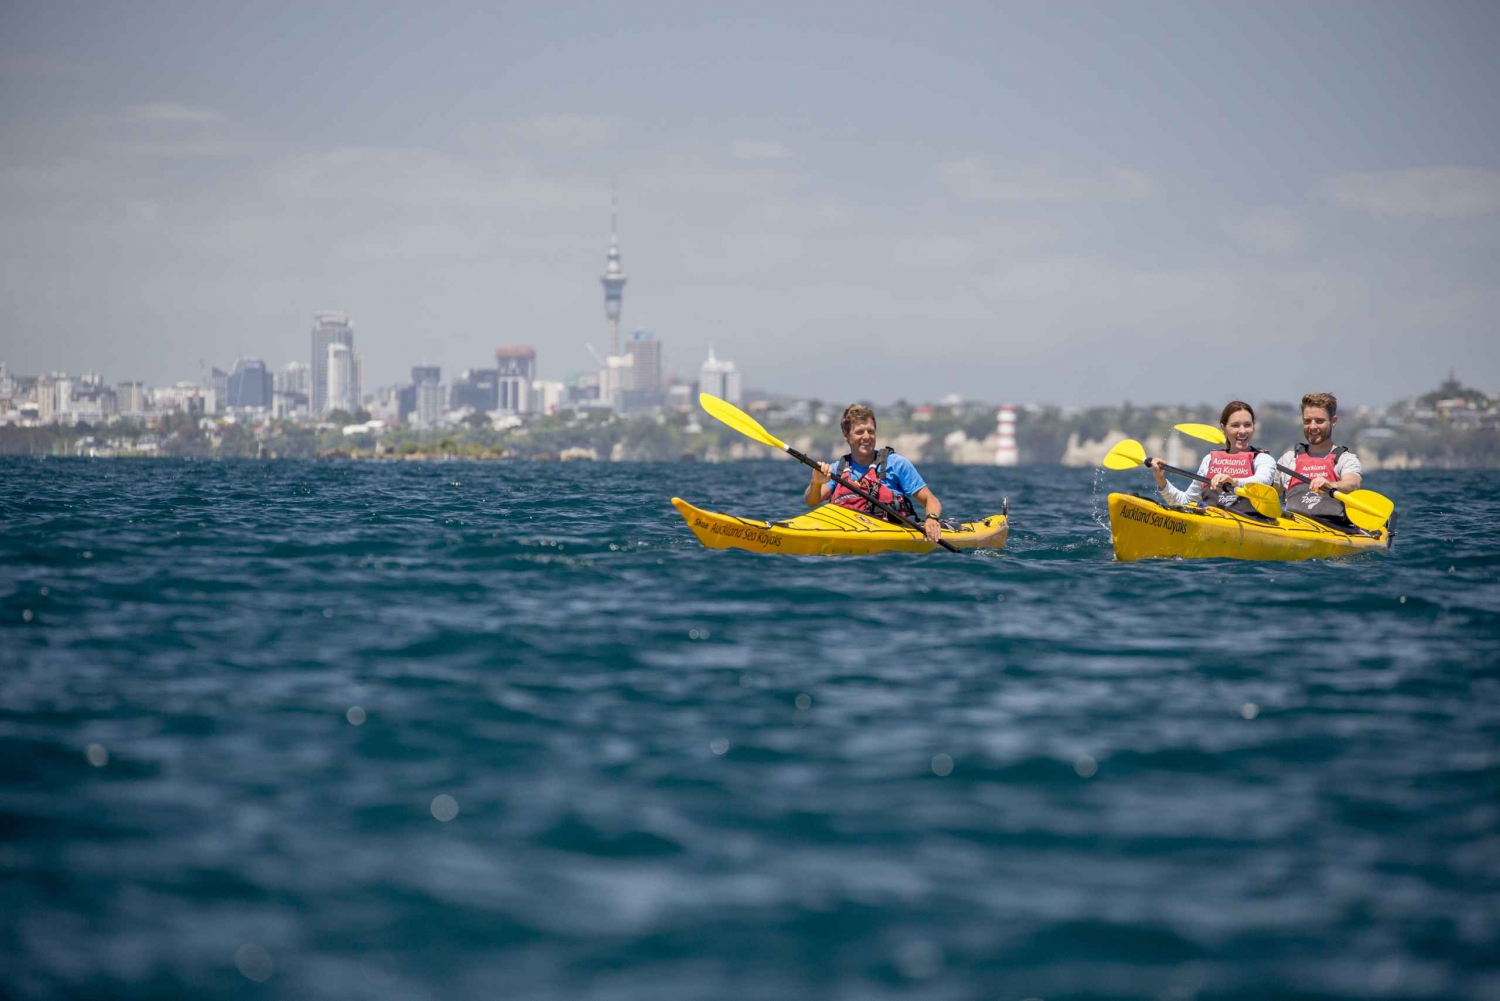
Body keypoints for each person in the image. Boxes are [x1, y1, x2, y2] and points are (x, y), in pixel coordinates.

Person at [805, 404, 945, 543]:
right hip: (844, 541)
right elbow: (811, 500)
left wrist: (931, 519)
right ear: (846, 435)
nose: (866, 437)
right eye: (860, 432)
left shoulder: (896, 464)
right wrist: (816, 482)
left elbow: (931, 501)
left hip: (890, 543)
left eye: (870, 431)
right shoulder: (838, 469)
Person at [1151, 400, 1277, 516]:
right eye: (1235, 425)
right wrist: (1160, 479)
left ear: (1254, 427)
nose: (1243, 431)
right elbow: (1186, 501)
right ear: (1223, 429)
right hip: (1213, 521)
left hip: (1252, 523)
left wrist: (1235, 482)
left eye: (1247, 425)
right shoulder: (1209, 460)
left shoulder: (1263, 459)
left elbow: (1263, 481)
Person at [1276, 392, 1363, 526]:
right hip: (1293, 527)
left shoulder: (1345, 459)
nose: (1312, 427)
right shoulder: (1289, 459)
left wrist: (1331, 485)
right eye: (1307, 421)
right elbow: (1267, 490)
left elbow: (1352, 484)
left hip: (1333, 528)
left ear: (1333, 421)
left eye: (1319, 421)